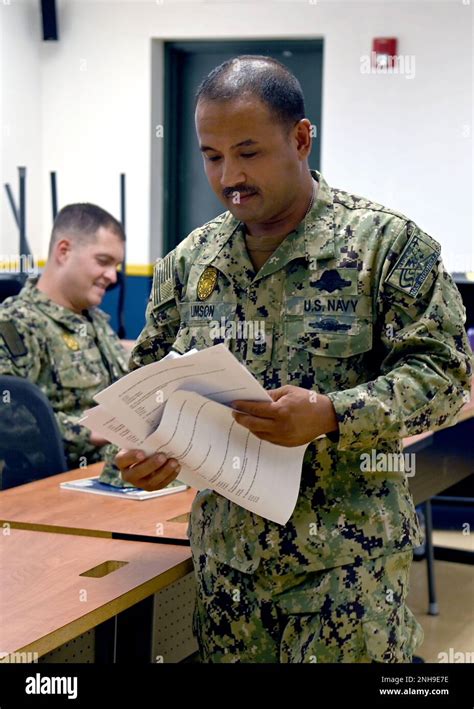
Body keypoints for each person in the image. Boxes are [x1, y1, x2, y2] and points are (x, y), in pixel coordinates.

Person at [115, 56, 472, 663]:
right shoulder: (188, 264)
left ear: (301, 139)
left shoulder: (384, 245)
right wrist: (143, 448)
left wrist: (334, 412)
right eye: (212, 155)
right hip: (227, 577)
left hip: (345, 575)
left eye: (248, 152)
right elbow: (144, 385)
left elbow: (445, 376)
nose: (230, 175)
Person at [0, 203, 129, 470]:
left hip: (120, 477)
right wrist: (92, 432)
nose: (112, 276)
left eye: (116, 265)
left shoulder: (97, 323)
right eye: (103, 262)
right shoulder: (15, 324)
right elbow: (8, 414)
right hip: (54, 492)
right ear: (64, 251)